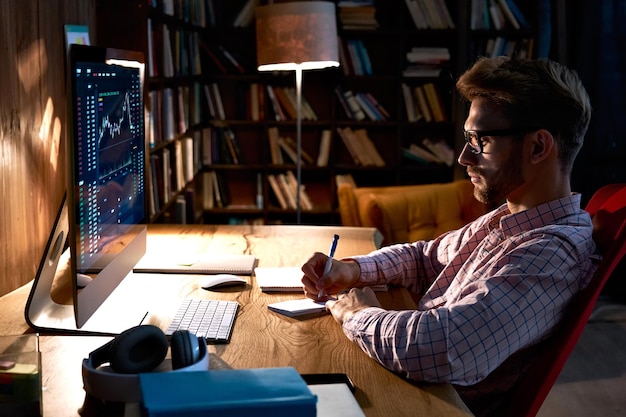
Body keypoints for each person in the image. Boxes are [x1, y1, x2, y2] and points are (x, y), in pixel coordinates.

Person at [301, 56, 598, 417]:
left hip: (423, 404)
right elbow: (425, 258)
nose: (463, 157)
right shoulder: (509, 220)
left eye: (480, 140)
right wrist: (351, 270)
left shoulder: (552, 252)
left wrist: (357, 314)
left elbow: (442, 348)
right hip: (404, 384)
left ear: (538, 147)